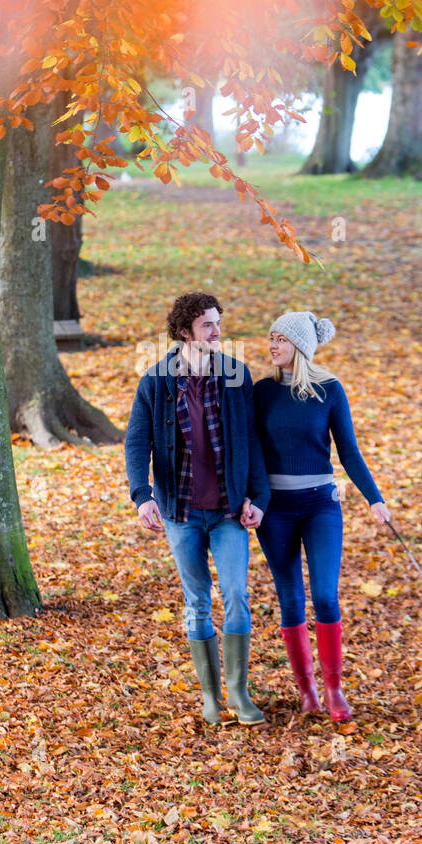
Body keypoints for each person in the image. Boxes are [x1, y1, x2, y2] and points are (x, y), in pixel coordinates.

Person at [124, 293, 271, 726]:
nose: (217, 332)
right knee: (196, 603)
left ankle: (240, 694)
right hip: (180, 511)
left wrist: (258, 498)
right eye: (208, 325)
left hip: (228, 512)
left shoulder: (236, 376)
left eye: (218, 323)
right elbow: (136, 441)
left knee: (238, 596)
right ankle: (211, 696)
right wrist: (142, 494)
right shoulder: (156, 381)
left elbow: (252, 441)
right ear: (185, 330)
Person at [252, 310, 390, 722]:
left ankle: (334, 690)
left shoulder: (329, 390)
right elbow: (252, 452)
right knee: (290, 597)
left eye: (280, 339)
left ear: (300, 346)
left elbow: (348, 449)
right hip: (275, 509)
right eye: (271, 338)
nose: (272, 345)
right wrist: (251, 498)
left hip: (320, 506)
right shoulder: (261, 393)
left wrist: (374, 498)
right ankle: (307, 691)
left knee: (326, 596)